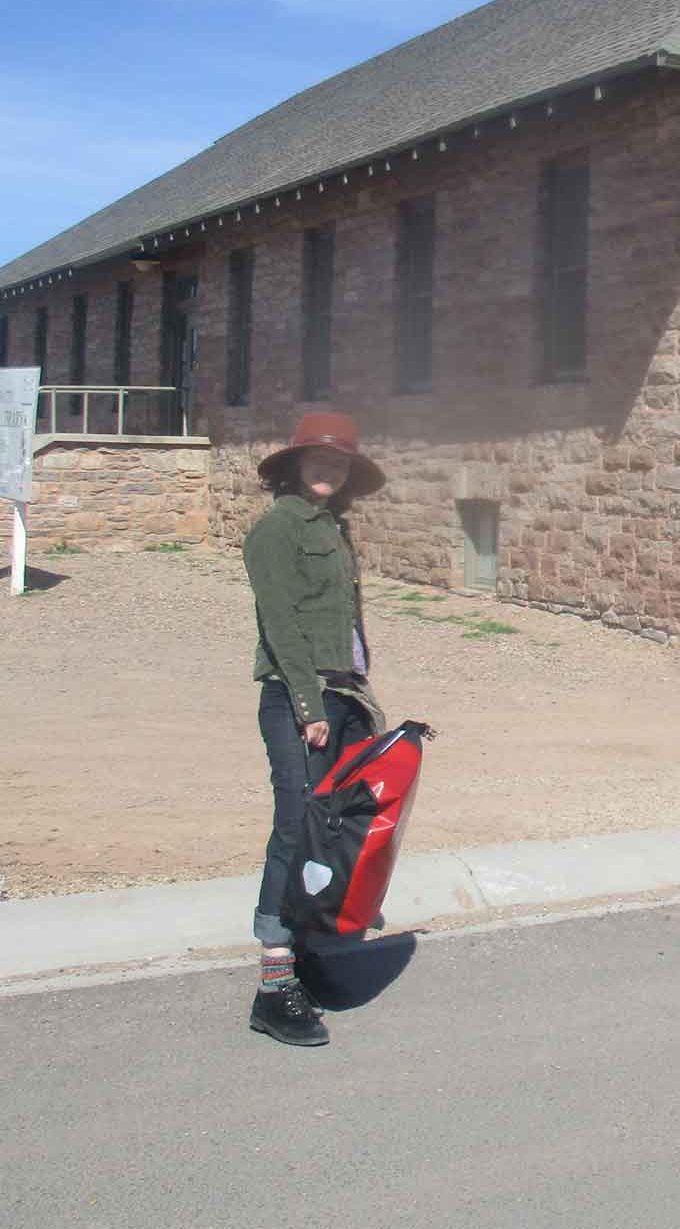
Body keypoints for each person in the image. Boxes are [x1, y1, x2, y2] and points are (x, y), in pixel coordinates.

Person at [243, 411, 388, 1047]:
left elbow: (345, 626)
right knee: (296, 827)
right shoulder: (276, 529)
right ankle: (274, 987)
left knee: (334, 830)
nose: (328, 469)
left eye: (339, 462)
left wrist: (362, 699)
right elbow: (280, 623)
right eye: (318, 458)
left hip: (343, 695)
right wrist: (309, 708)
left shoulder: (334, 527)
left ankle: (308, 957)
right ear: (296, 465)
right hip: (298, 698)